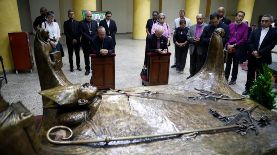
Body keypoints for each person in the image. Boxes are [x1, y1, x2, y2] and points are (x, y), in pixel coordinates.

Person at [242, 14, 277, 95]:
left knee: (260, 75)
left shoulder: (274, 33)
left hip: (264, 56)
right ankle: (248, 88)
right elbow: (250, 42)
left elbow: (271, 45)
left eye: (266, 21)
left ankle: (258, 91)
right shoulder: (255, 30)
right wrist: (254, 51)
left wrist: (260, 53)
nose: (263, 22)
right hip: (252, 56)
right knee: (250, 73)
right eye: (262, 21)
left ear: (270, 22)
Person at [224, 11, 248, 85]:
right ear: (236, 17)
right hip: (229, 47)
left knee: (235, 64)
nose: (240, 17)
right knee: (228, 64)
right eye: (239, 16)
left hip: (238, 48)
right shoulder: (230, 25)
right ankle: (225, 78)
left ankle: (233, 79)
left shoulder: (245, 26)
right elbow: (227, 36)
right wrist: (228, 44)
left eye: (242, 16)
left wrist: (234, 45)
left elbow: (244, 39)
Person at [187, 14, 208, 78]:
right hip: (193, 47)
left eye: (200, 18)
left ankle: (197, 76)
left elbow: (208, 37)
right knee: (192, 62)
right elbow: (187, 36)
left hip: (201, 48)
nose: (199, 20)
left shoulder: (207, 27)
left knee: (200, 63)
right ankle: (191, 74)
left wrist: (200, 40)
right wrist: (193, 39)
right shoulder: (192, 27)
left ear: (203, 19)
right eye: (197, 19)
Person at [80, 10, 98, 75]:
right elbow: (82, 32)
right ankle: (87, 69)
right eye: (88, 16)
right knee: (86, 57)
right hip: (85, 42)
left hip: (93, 42)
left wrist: (93, 38)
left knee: (94, 56)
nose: (89, 18)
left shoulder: (95, 22)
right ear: (85, 16)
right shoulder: (81, 23)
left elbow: (97, 31)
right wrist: (89, 38)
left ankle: (94, 68)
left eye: (90, 16)